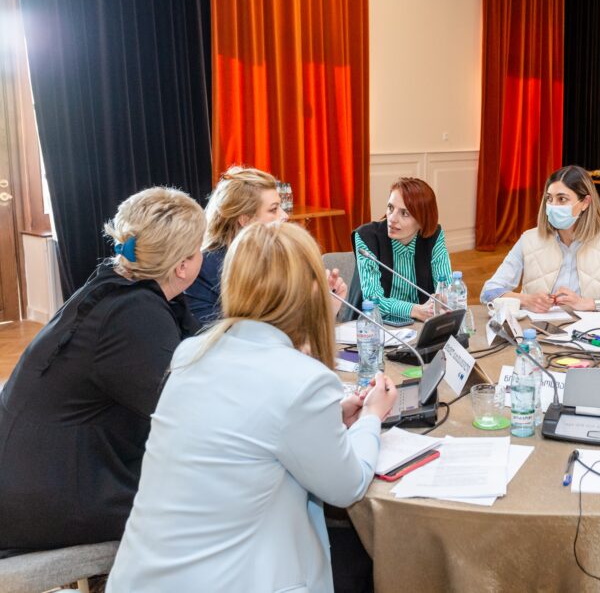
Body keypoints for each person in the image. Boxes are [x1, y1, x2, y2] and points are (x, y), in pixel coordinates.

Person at [107, 222, 397, 591]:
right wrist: (371, 417)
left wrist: (330, 417)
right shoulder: (302, 379)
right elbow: (348, 484)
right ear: (311, 291)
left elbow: (247, 430)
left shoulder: (191, 353)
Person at [0, 187, 205, 556]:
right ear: (182, 266)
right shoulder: (133, 314)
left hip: (33, 473)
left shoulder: (118, 285)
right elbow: (184, 411)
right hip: (50, 493)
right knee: (211, 495)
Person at [481, 165, 600, 314]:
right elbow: (488, 292)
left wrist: (588, 303)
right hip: (538, 331)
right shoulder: (528, 240)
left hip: (593, 331)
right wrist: (526, 300)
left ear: (585, 202)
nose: (553, 206)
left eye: (562, 199)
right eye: (549, 198)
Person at [185, 166, 287, 326]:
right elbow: (208, 334)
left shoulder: (280, 256)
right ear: (245, 220)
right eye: (273, 209)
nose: (284, 216)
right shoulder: (203, 270)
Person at [353, 177, 453, 322]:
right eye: (390, 208)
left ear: (422, 221)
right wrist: (415, 310)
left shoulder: (434, 237)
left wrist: (441, 299)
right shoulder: (367, 238)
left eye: (404, 213)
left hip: (419, 325)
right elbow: (373, 301)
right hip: (372, 327)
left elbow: (446, 287)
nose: (392, 219)